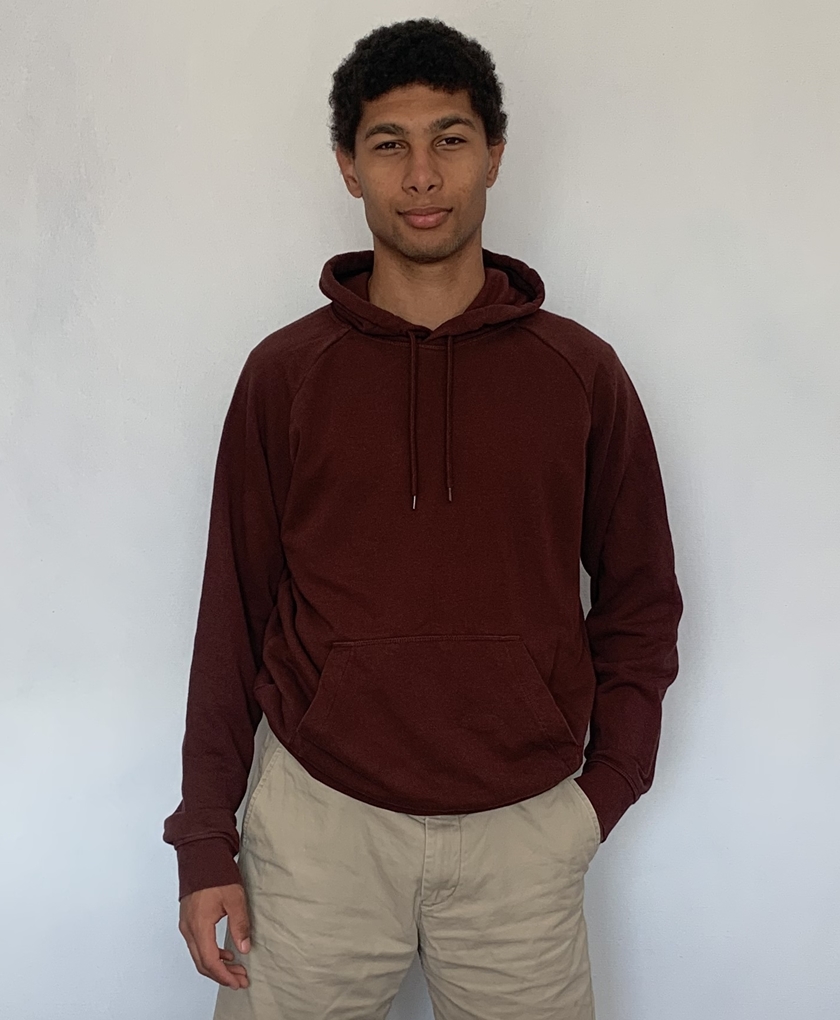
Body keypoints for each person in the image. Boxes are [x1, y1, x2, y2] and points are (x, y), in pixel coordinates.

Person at [163, 17, 683, 1020]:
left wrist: (606, 789)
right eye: (388, 144)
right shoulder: (284, 376)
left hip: (523, 839)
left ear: (494, 154)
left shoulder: (580, 374)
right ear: (348, 167)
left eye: (450, 139)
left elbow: (641, 601)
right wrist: (203, 839)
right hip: (317, 833)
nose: (422, 174)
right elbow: (234, 612)